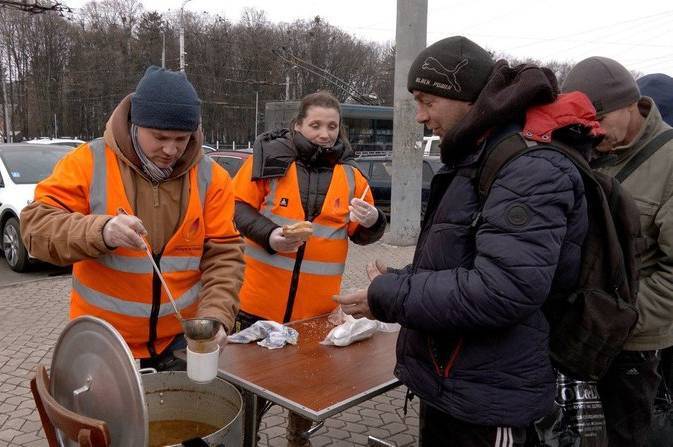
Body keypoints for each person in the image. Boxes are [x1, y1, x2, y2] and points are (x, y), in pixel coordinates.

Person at [335, 36, 596, 446]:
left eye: (427, 101)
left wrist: (389, 294)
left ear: (466, 97)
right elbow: (467, 262)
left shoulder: (528, 167)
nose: (419, 116)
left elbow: (504, 288)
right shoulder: (475, 155)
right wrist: (403, 276)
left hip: (492, 397)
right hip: (455, 384)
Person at [20, 66, 244, 371]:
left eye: (182, 138)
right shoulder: (89, 162)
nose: (171, 149)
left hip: (179, 344)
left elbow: (225, 256)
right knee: (105, 421)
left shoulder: (211, 178)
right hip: (103, 344)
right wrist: (101, 231)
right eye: (160, 137)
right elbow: (35, 228)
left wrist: (216, 317)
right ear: (135, 124)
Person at [232, 90, 386, 446]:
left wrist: (374, 220)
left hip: (315, 315)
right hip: (258, 309)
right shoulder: (268, 161)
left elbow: (362, 234)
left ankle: (298, 440)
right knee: (250, 400)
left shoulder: (351, 177)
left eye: (332, 126)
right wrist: (270, 236)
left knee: (304, 399)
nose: (324, 133)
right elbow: (235, 208)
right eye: (315, 124)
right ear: (298, 125)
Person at [563, 57, 673, 447]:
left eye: (599, 121)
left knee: (626, 436)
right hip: (575, 333)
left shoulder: (670, 161)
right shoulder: (585, 149)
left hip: (631, 344)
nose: (591, 133)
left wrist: (617, 318)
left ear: (631, 105)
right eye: (582, 124)